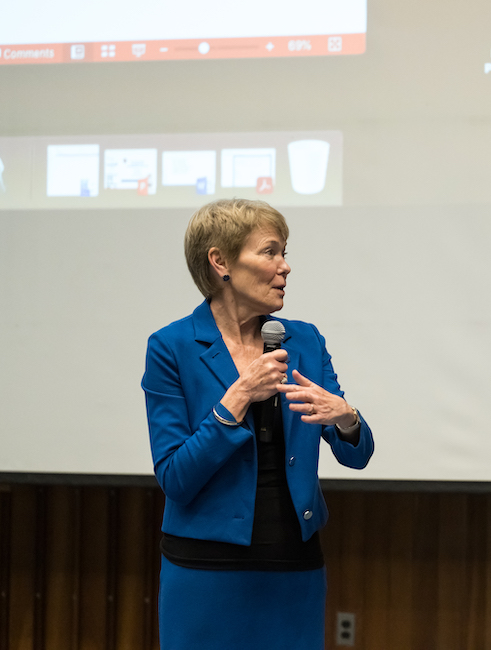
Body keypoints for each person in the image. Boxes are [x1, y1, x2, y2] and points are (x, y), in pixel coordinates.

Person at [142, 198, 374, 650]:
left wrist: (347, 418)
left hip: (293, 563)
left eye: (285, 253)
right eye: (270, 252)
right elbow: (175, 478)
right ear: (221, 261)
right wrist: (235, 399)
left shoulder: (304, 340)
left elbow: (356, 454)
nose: (284, 267)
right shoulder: (171, 347)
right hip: (205, 569)